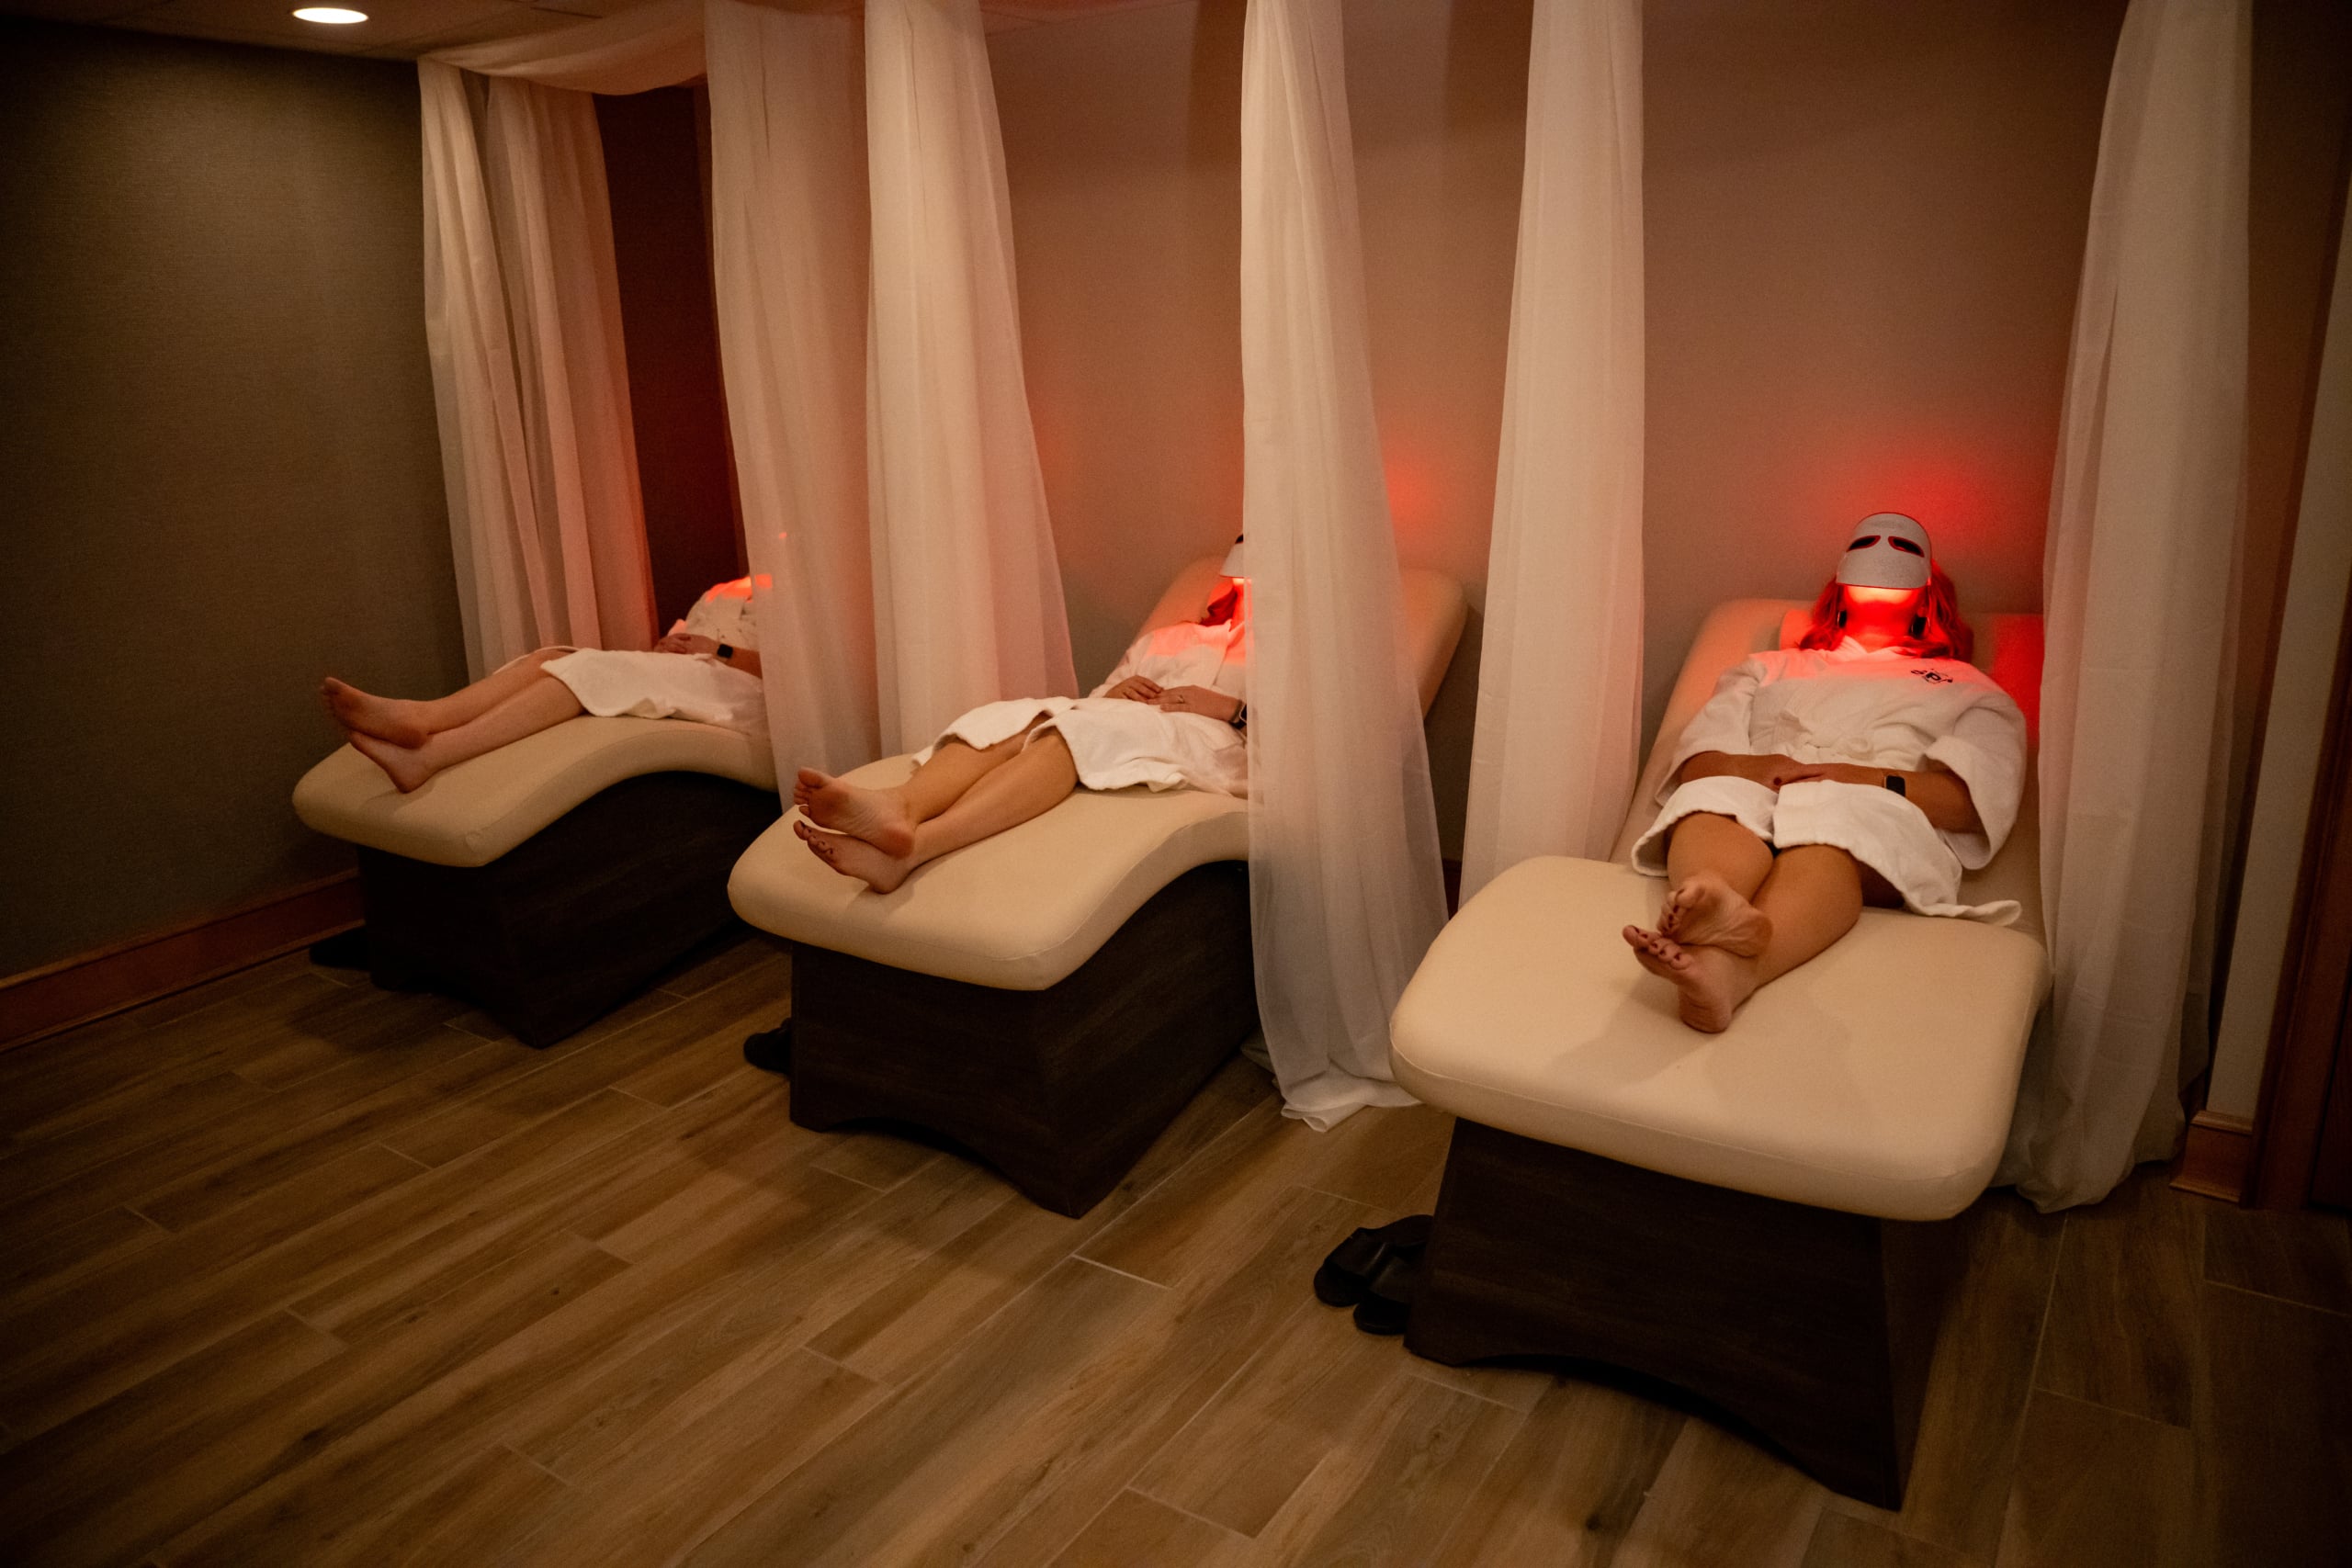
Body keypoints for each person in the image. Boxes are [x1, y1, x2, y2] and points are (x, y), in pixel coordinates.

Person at [1621, 513, 2027, 1032]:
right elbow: (1698, 764)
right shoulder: (1769, 666)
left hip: (1875, 813)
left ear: (1929, 596)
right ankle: (1712, 898)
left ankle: (1748, 962)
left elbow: (1969, 802)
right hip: (1761, 789)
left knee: (1835, 818)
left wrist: (1857, 778)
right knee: (1718, 795)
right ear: (1837, 589)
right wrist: (1753, 767)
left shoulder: (1964, 684)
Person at [793, 560, 1251, 896]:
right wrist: (1114, 694)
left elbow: (1307, 747)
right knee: (1011, 715)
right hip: (1119, 721)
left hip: (1212, 738)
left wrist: (1232, 707)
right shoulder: (1174, 636)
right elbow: (1093, 701)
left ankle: (914, 849)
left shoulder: (1284, 649)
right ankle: (898, 806)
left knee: (1074, 734)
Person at [322, 577, 766, 793]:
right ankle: (423, 717)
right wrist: (668, 649)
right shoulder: (728, 591)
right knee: (553, 657)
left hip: (751, 692)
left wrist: (718, 650)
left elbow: (794, 676)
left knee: (588, 674)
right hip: (702, 671)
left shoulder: (815, 598)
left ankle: (433, 755)